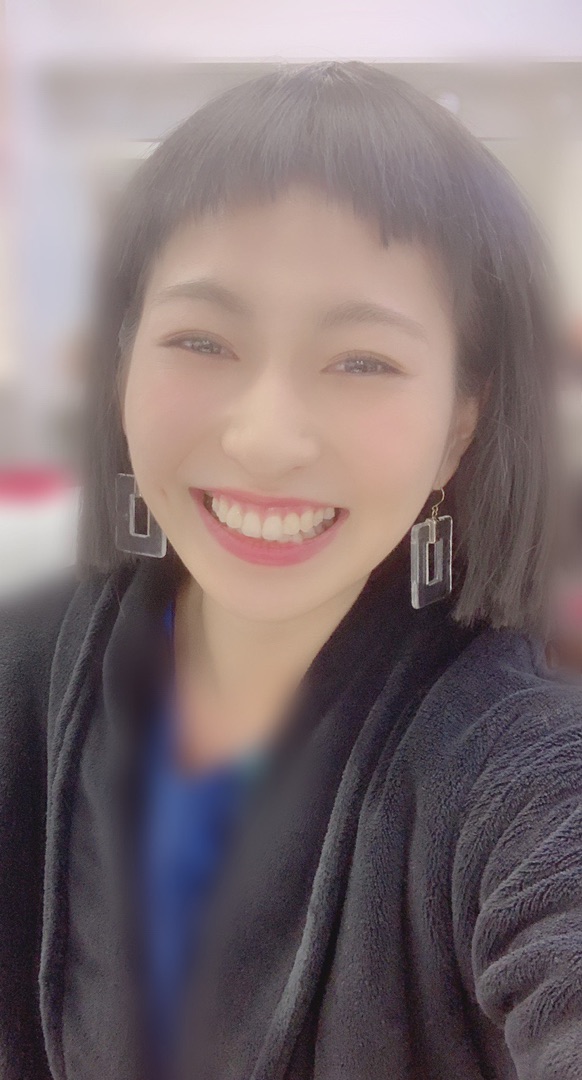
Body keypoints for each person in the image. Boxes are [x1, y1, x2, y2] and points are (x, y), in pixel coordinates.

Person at [1, 60, 581, 1080]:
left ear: (460, 424)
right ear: (124, 364)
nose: (265, 439)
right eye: (201, 340)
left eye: (362, 360)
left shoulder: (513, 766)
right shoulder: (27, 667)